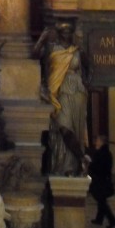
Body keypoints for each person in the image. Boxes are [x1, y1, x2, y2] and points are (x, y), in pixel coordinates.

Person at [33, 20, 88, 176]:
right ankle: (81, 158)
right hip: (58, 91)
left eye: (69, 32)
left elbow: (89, 68)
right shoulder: (52, 48)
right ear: (59, 33)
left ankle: (73, 166)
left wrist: (85, 83)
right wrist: (41, 40)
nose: (66, 35)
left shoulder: (77, 51)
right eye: (63, 32)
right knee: (63, 127)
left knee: (75, 128)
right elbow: (34, 55)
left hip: (76, 92)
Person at [88, 135, 115, 228]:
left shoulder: (101, 153)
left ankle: (112, 220)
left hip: (100, 180)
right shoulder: (105, 152)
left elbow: (98, 166)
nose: (95, 142)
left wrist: (90, 165)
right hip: (103, 179)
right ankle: (99, 219)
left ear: (101, 142)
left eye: (97, 140)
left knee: (101, 200)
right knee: (101, 200)